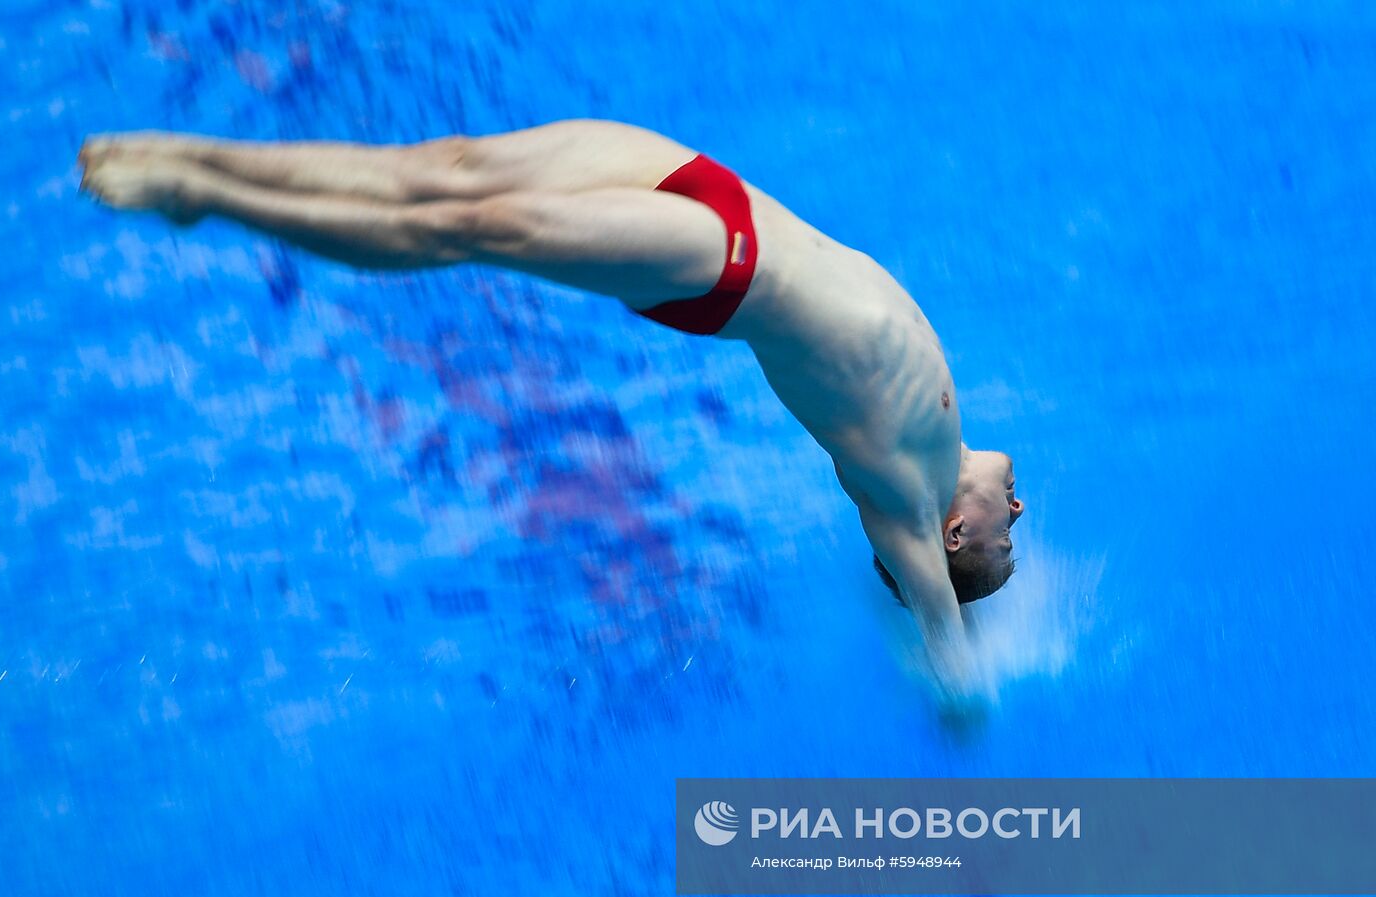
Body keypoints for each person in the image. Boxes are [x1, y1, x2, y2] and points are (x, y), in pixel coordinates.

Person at [77, 118, 1025, 695]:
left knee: (468, 227)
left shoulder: (900, 498)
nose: (1019, 514)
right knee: (444, 168)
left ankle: (201, 196)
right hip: (709, 186)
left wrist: (959, 693)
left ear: (949, 541)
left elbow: (953, 667)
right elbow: (960, 582)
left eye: (1005, 542)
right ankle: (203, 154)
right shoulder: (950, 436)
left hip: (729, 270)